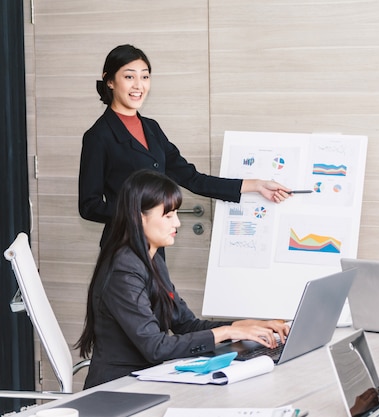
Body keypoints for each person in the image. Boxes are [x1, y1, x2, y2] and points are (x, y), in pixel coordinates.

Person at [75, 169, 290, 388]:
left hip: (149, 378)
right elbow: (155, 346)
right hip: (117, 388)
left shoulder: (153, 260)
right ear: (139, 217)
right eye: (168, 216)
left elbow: (187, 324)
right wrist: (228, 332)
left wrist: (246, 326)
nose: (177, 223)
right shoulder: (123, 270)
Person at [79, 44, 291, 246]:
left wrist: (257, 185)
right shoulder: (98, 136)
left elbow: (192, 178)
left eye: (144, 76)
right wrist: (141, 216)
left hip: (154, 244)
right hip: (122, 244)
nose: (138, 85)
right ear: (110, 81)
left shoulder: (151, 128)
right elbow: (89, 206)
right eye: (129, 76)